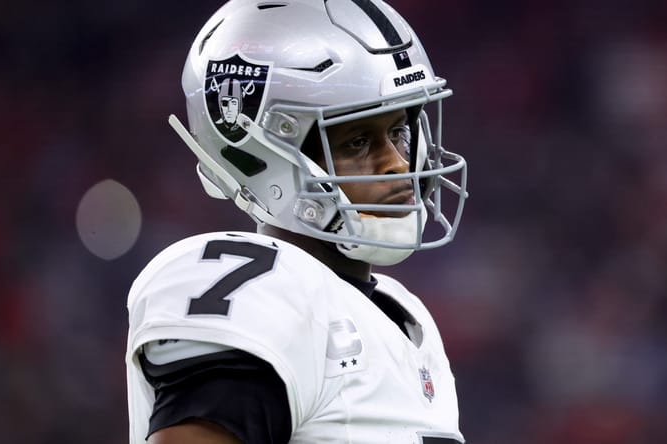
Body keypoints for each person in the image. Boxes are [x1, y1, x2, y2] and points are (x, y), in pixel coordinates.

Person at [125, 0, 469, 443]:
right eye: (358, 141)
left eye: (399, 132)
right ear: (268, 155)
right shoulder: (262, 293)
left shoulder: (405, 319)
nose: (396, 164)